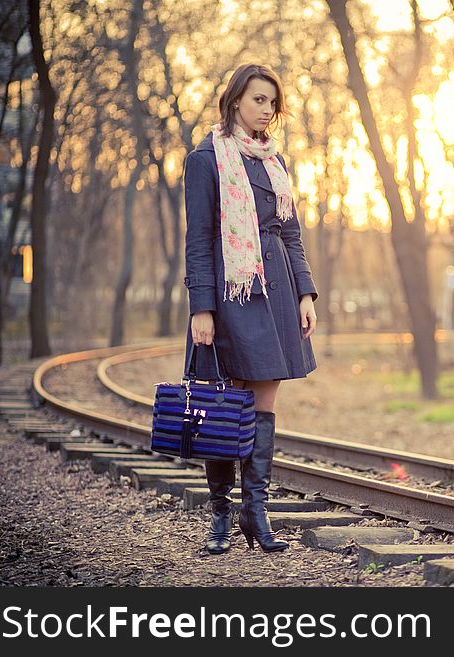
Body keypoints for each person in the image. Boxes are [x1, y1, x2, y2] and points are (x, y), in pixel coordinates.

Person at [182, 63, 318, 555]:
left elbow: (290, 233)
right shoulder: (205, 159)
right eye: (258, 99)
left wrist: (305, 293)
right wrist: (202, 308)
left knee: (263, 407)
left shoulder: (275, 162)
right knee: (221, 407)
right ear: (236, 99)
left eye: (272, 102)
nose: (266, 110)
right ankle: (220, 514)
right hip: (229, 293)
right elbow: (198, 240)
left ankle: (255, 513)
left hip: (277, 292)